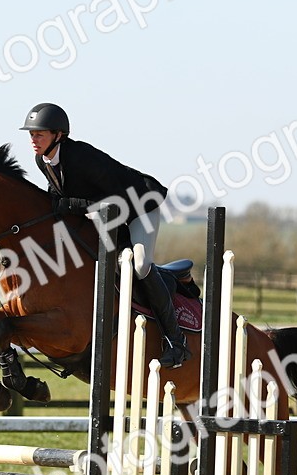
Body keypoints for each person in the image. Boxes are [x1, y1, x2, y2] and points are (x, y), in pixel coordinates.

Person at [20, 102, 190, 368]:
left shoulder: (81, 157)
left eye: (39, 134)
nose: (33, 139)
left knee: (140, 265)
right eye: (31, 134)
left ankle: (176, 342)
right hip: (107, 215)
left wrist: (73, 205)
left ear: (58, 135)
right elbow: (61, 196)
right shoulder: (42, 160)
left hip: (138, 206)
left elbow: (116, 199)